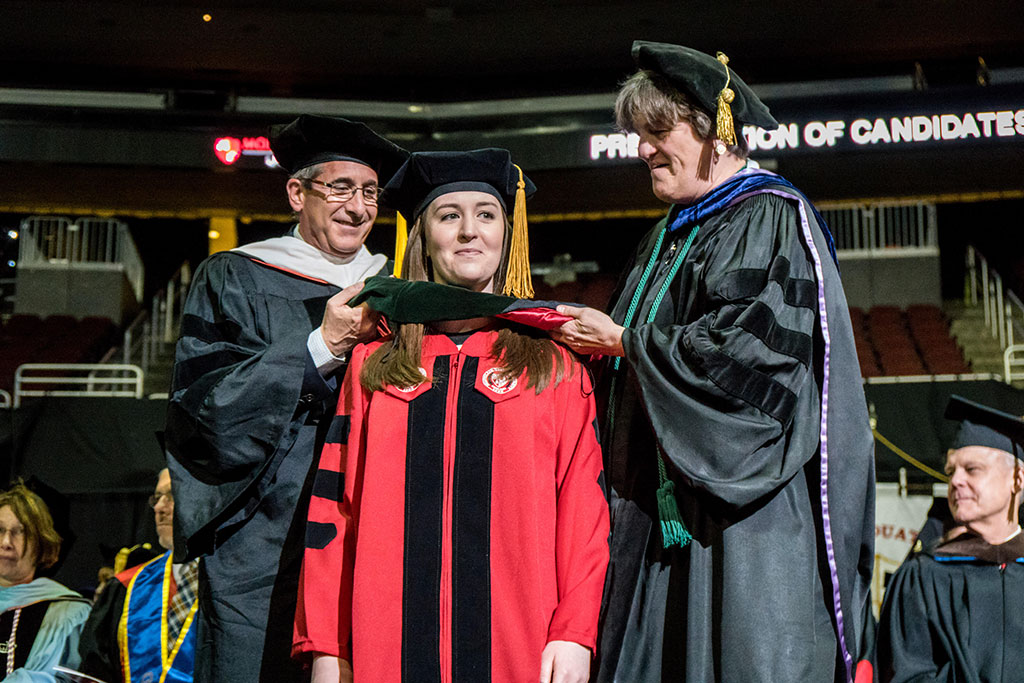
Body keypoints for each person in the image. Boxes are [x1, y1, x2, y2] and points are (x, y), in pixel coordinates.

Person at [551, 42, 875, 682]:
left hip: (738, 521)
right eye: (636, 135)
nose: (642, 149)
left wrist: (625, 344)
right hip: (660, 514)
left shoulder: (766, 215)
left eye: (656, 131)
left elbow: (749, 365)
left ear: (715, 131)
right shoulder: (673, 230)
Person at [292, 149, 610, 683]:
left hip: (521, 641)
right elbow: (334, 511)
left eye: (486, 215)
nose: (469, 231)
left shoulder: (552, 365)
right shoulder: (376, 365)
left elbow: (584, 513)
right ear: (423, 238)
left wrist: (574, 632)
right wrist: (329, 645)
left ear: (508, 236)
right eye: (448, 215)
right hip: (383, 642)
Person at [164, 115, 408, 682]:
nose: (358, 207)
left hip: (373, 533)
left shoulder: (397, 286)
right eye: (340, 187)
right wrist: (321, 347)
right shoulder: (236, 276)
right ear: (297, 193)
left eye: (370, 191)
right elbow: (203, 411)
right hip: (265, 540)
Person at [877, 395, 1024, 682]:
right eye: (950, 472)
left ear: (1017, 480)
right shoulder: (923, 576)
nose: (955, 481)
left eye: (972, 470)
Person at [78, 468, 200, 682]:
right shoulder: (127, 586)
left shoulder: (240, 585)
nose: (159, 508)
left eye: (172, 496)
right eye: (157, 498)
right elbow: (96, 670)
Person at [0, 483, 91, 682]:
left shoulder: (68, 613)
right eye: (0, 530)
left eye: (19, 532)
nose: (6, 542)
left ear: (41, 543)